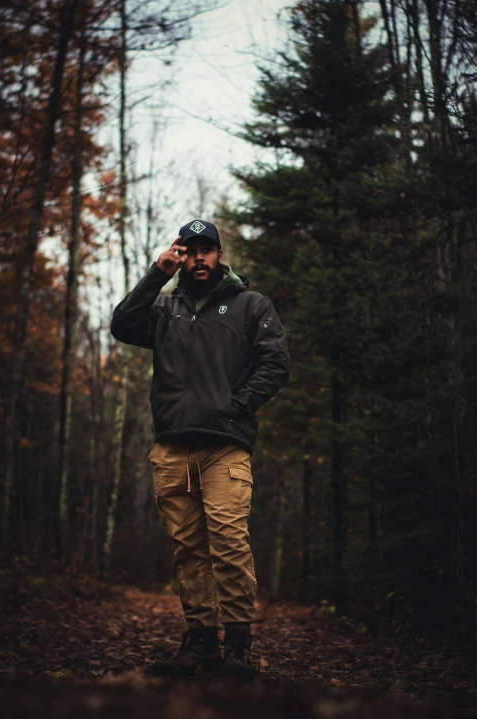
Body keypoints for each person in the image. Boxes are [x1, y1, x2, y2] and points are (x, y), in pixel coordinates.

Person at [111, 219, 290, 680]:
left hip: (224, 449)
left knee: (229, 543)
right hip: (171, 448)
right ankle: (202, 643)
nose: (197, 259)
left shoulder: (251, 305)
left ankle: (237, 648)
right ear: (181, 257)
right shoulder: (165, 308)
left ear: (219, 253)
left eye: (205, 250)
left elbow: (275, 362)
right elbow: (122, 324)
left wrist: (238, 405)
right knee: (188, 550)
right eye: (188, 252)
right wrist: (156, 273)